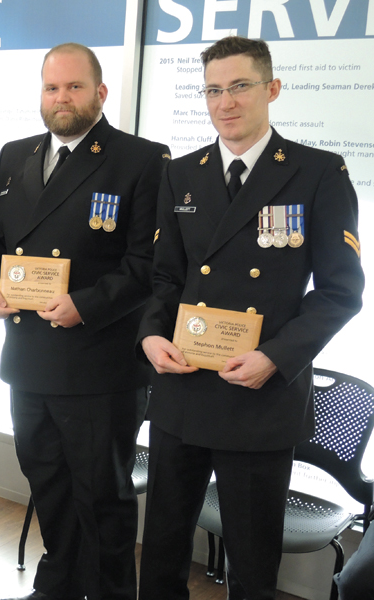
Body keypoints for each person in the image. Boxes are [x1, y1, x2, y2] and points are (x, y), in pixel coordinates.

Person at [137, 36, 364, 600]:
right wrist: (149, 335)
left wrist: (276, 357)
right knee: (162, 550)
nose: (225, 102)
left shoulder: (316, 173)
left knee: (253, 565)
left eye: (240, 86)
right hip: (181, 390)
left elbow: (341, 291)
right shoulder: (181, 174)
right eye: (214, 89)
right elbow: (165, 279)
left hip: (259, 396)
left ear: (272, 89)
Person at [0, 43, 169, 600]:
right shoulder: (14, 155)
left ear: (100, 93)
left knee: (102, 496)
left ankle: (107, 593)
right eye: (52, 88)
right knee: (48, 482)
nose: (62, 98)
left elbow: (148, 265)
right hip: (28, 359)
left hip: (98, 364)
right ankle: (58, 582)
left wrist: (88, 303)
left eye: (74, 87)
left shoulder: (142, 159)